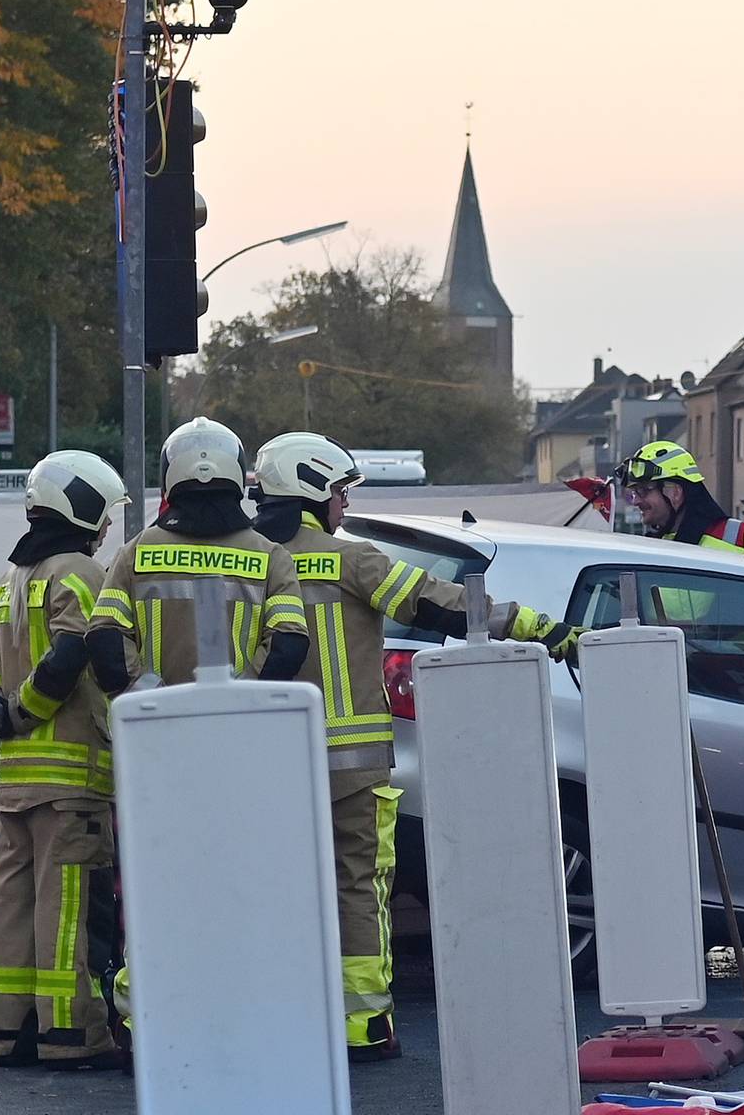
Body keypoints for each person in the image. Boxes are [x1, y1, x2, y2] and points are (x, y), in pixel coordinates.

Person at [250, 432, 576, 1061]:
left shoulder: (247, 560)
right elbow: (443, 603)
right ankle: (363, 1027)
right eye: (340, 492)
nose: (345, 504)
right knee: (357, 887)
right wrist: (543, 628)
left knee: (273, 889)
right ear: (311, 491)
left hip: (265, 764)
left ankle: (286, 1017)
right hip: (351, 768)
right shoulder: (351, 559)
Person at [0, 449, 128, 1071]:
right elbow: (72, 653)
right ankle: (71, 1034)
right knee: (69, 911)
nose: (107, 527)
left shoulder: (10, 579)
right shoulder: (81, 572)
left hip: (15, 782)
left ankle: (10, 1032)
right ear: (82, 507)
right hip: (71, 782)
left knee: (12, 907)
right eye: (104, 514)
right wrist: (24, 710)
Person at [87, 416, 309, 695]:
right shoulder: (271, 556)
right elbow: (288, 642)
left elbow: (105, 638)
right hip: (241, 717)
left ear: (169, 478)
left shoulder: (134, 553)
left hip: (153, 718)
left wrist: (150, 697)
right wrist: (241, 698)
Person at [614, 440, 744, 562]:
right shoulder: (649, 549)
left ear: (675, 492)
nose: (636, 501)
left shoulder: (740, 538)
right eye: (634, 492)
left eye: (644, 490)